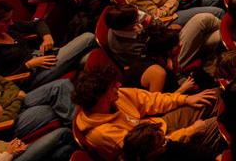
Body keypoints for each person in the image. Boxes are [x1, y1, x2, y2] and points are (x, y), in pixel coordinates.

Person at [71, 66, 220, 159]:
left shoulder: (117, 97)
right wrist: (192, 130)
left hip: (158, 127)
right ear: (100, 98)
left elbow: (151, 100)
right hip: (161, 148)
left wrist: (185, 99)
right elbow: (153, 149)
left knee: (214, 96)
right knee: (217, 124)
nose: (119, 85)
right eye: (112, 87)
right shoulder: (102, 134)